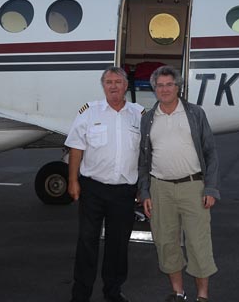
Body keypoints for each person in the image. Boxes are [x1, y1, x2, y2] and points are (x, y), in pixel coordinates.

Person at [138, 65, 220, 302]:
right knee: (166, 242)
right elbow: (143, 160)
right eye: (160, 86)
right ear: (154, 89)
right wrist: (145, 192)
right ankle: (178, 293)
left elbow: (210, 153)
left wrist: (211, 188)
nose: (164, 89)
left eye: (169, 85)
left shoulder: (195, 114)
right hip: (160, 188)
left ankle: (202, 296)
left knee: (198, 242)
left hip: (193, 187)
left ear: (178, 87)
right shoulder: (148, 119)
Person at [65, 66, 144, 302]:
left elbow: (146, 153)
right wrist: (72, 180)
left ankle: (113, 291)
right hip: (93, 189)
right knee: (87, 242)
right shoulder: (89, 112)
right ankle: (81, 294)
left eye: (118, 82)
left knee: (118, 245)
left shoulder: (139, 114)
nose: (113, 86)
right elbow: (76, 147)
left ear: (126, 86)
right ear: (103, 86)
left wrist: (144, 187)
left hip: (124, 191)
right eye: (108, 82)